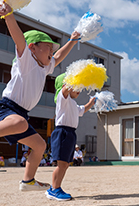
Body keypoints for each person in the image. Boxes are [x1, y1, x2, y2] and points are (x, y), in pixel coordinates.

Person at [0, 1, 81, 191]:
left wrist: (72, 41)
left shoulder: (45, 67)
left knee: (40, 145)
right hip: (5, 110)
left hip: (20, 115)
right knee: (21, 123)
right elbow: (19, 39)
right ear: (33, 48)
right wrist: (8, 15)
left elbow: (59, 57)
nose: (52, 51)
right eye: (48, 47)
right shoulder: (26, 58)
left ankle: (28, 181)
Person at [46, 73, 95, 201]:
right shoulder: (63, 99)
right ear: (66, 86)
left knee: (66, 164)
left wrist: (91, 102)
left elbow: (83, 109)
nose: (78, 89)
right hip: (62, 132)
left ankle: (54, 189)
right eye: (75, 86)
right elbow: (65, 89)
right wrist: (72, 79)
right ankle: (55, 189)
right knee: (62, 164)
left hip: (70, 133)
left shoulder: (73, 104)